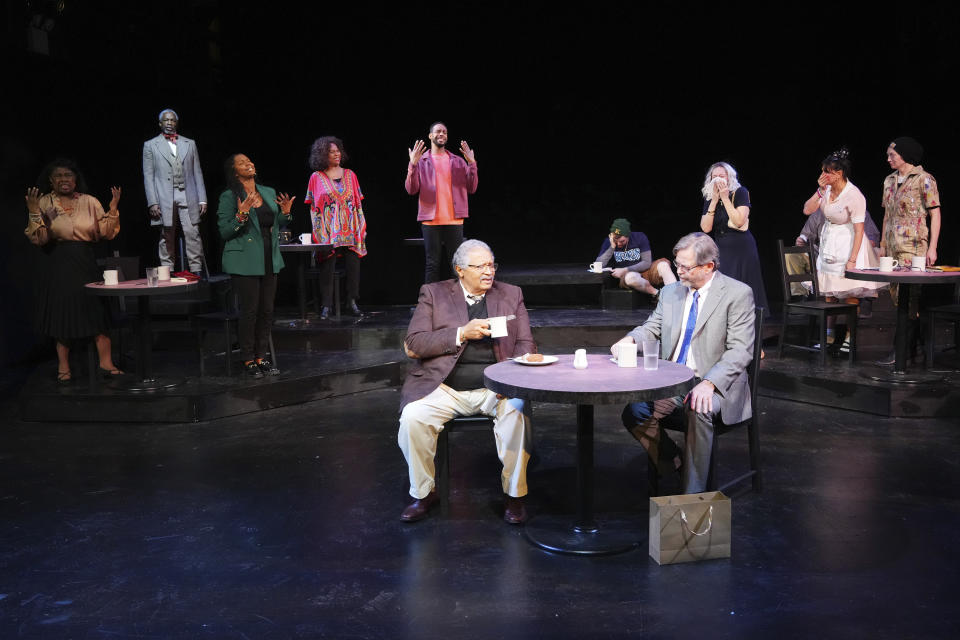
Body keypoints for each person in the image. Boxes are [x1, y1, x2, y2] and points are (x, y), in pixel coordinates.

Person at [397, 239, 535, 524]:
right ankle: (424, 493)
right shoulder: (434, 294)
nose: (488, 271)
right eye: (480, 266)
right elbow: (414, 343)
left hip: (495, 388)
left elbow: (525, 344)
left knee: (517, 411)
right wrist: (461, 333)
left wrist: (510, 375)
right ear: (460, 270)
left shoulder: (511, 294)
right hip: (444, 387)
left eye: (491, 264)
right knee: (413, 417)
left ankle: (515, 496)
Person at [614, 232, 754, 494]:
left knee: (698, 406)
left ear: (709, 266)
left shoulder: (737, 294)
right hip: (674, 382)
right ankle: (675, 463)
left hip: (716, 384)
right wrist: (630, 340)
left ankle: (692, 498)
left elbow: (740, 350)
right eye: (677, 264)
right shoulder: (671, 293)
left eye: (685, 267)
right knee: (634, 411)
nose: (678, 271)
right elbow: (652, 327)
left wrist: (710, 383)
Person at [24, 159, 123, 383]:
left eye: (68, 175)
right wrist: (33, 211)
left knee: (96, 312)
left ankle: (106, 363)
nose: (64, 180)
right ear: (51, 181)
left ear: (75, 179)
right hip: (59, 263)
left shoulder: (90, 202)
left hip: (86, 261)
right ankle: (64, 366)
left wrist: (113, 208)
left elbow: (106, 232)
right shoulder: (45, 202)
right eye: (58, 176)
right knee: (63, 315)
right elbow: (39, 239)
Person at [217, 154, 295, 378]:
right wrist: (241, 214)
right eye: (242, 163)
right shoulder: (229, 196)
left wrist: (286, 213)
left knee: (267, 310)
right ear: (234, 172)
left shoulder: (268, 192)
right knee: (250, 311)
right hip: (244, 259)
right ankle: (248, 358)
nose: (249, 164)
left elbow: (275, 223)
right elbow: (224, 231)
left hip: (269, 257)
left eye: (250, 161)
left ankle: (262, 356)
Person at [878, 137, 943, 365]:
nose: (888, 159)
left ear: (905, 155)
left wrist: (932, 247)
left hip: (914, 246)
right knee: (897, 298)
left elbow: (935, 213)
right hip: (892, 247)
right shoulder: (889, 181)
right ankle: (909, 348)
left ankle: (902, 351)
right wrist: (882, 246)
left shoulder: (924, 180)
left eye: (892, 155)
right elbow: (886, 216)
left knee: (910, 298)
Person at [405, 122, 478, 284]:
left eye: (444, 132)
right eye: (438, 132)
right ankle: (430, 303)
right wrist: (413, 165)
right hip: (431, 221)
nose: (442, 134)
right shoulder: (422, 161)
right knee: (432, 264)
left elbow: (472, 188)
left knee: (457, 266)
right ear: (430, 136)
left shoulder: (458, 161)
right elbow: (411, 189)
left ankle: (458, 303)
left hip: (454, 219)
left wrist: (472, 164)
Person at [304, 136, 367, 319]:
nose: (336, 154)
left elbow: (357, 204)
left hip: (351, 228)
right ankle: (327, 305)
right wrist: (319, 231)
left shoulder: (350, 175)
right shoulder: (316, 178)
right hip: (328, 231)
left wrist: (361, 227)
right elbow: (313, 207)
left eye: (338, 150)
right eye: (331, 151)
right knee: (327, 265)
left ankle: (352, 301)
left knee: (353, 263)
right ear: (323, 154)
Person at [142, 108, 208, 275]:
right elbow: (148, 175)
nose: (169, 123)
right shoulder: (150, 145)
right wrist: (153, 201)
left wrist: (202, 198)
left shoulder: (189, 143)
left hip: (188, 193)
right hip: (164, 194)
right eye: (166, 120)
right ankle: (168, 270)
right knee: (167, 233)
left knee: (192, 232)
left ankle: (196, 269)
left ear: (176, 123)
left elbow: (197, 172)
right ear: (160, 123)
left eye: (172, 120)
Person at [698, 162, 769, 312]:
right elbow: (705, 228)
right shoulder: (710, 197)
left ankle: (751, 320)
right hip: (721, 247)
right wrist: (715, 200)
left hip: (741, 246)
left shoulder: (740, 192)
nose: (717, 179)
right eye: (714, 176)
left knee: (743, 285)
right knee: (724, 286)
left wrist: (725, 198)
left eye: (721, 176)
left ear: (729, 178)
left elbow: (738, 221)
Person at [595, 217, 676, 296]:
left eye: (622, 241)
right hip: (628, 274)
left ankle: (675, 296)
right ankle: (659, 295)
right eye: (616, 241)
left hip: (646, 270)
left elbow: (647, 262)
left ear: (628, 235)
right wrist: (612, 247)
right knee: (630, 278)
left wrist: (624, 269)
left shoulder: (639, 237)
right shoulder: (609, 242)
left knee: (663, 265)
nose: (619, 244)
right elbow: (598, 264)